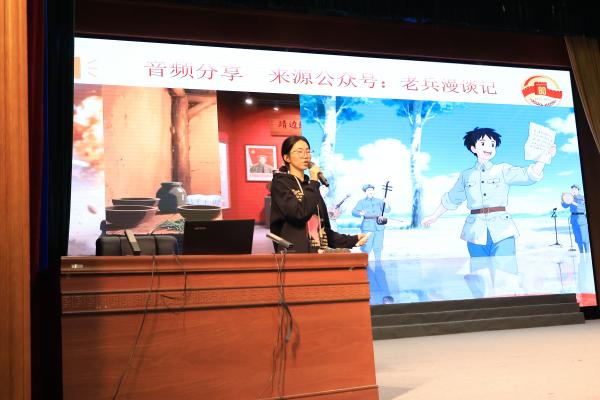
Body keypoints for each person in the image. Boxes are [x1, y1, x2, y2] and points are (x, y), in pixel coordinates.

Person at [422, 127, 556, 259]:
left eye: (492, 144)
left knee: (506, 270)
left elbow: (528, 175)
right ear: (473, 148)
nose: (489, 148)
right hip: (475, 233)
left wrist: (543, 159)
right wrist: (434, 216)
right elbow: (452, 198)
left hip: (502, 231)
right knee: (479, 271)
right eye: (483, 143)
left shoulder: (502, 169)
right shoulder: (466, 175)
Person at [270, 135, 369, 253]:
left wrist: (352, 240)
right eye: (299, 151)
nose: (305, 155)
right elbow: (298, 214)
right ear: (287, 158)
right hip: (294, 255)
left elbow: (323, 230)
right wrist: (314, 181)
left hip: (318, 255)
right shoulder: (281, 184)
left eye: (308, 151)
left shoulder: (311, 187)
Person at [352, 184, 391, 265]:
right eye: (368, 190)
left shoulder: (379, 201)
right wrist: (360, 213)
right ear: (365, 192)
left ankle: (378, 264)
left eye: (372, 190)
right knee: (366, 246)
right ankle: (365, 264)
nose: (371, 191)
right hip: (367, 227)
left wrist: (387, 203)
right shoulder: (361, 202)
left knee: (378, 246)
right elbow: (353, 212)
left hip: (379, 226)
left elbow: (387, 210)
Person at [561, 184, 590, 253]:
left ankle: (588, 253)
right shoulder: (570, 198)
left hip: (581, 219)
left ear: (578, 190)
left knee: (584, 238)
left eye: (575, 189)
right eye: (572, 189)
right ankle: (581, 253)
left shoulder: (582, 198)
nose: (573, 190)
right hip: (574, 220)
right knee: (578, 238)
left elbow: (584, 208)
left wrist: (574, 203)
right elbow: (565, 206)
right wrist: (563, 199)